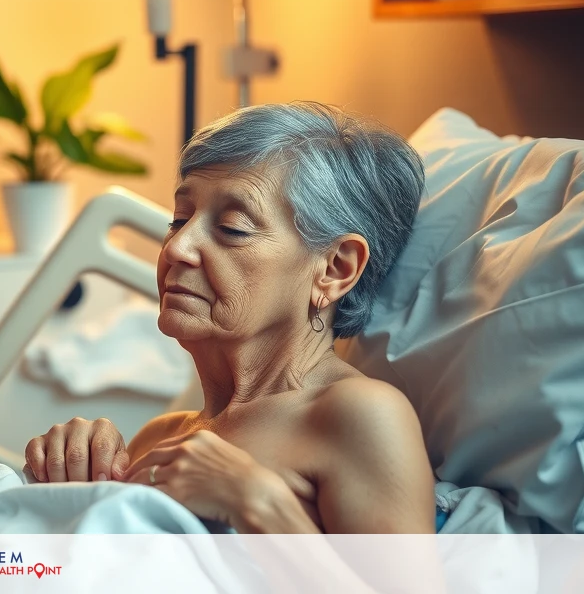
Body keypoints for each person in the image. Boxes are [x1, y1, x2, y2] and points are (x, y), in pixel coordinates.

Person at [24, 102, 436, 533]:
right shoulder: (159, 438)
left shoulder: (360, 416)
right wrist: (72, 469)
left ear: (335, 269)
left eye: (233, 228)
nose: (178, 248)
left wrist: (258, 503)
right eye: (179, 219)